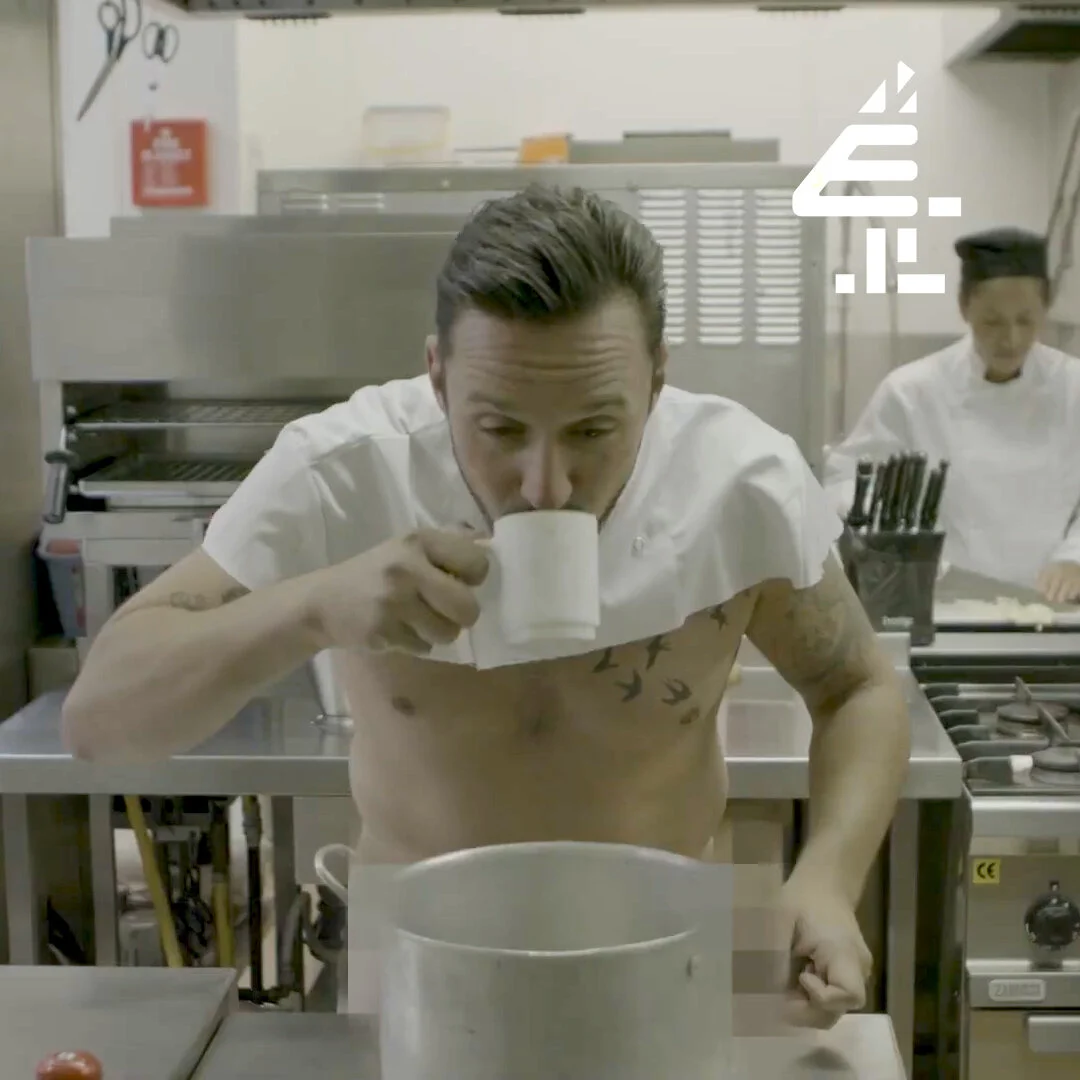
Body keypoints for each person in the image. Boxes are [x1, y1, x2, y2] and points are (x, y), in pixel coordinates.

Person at [62, 185, 910, 1029]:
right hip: (413, 972)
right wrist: (313, 606)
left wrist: (828, 879)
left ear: (657, 379)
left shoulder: (740, 482)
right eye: (500, 429)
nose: (546, 486)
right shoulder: (344, 471)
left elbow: (858, 688)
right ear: (437, 375)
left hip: (662, 955)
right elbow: (99, 724)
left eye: (592, 431)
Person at [824, 227, 1080, 603]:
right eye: (993, 322)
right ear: (964, 307)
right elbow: (845, 481)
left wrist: (1075, 556)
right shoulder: (912, 392)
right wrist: (893, 532)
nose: (1010, 339)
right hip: (944, 599)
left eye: (1025, 321)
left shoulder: (1073, 387)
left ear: (1046, 310)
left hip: (1054, 603)